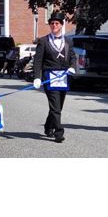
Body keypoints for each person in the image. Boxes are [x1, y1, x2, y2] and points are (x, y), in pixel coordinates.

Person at [33, 12, 76, 143]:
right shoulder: (44, 41)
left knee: (58, 107)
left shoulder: (68, 41)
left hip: (63, 78)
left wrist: (72, 66)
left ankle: (48, 126)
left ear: (61, 25)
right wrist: (37, 77)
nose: (54, 25)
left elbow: (72, 56)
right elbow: (37, 60)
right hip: (49, 77)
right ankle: (59, 132)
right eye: (52, 23)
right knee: (55, 106)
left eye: (57, 23)